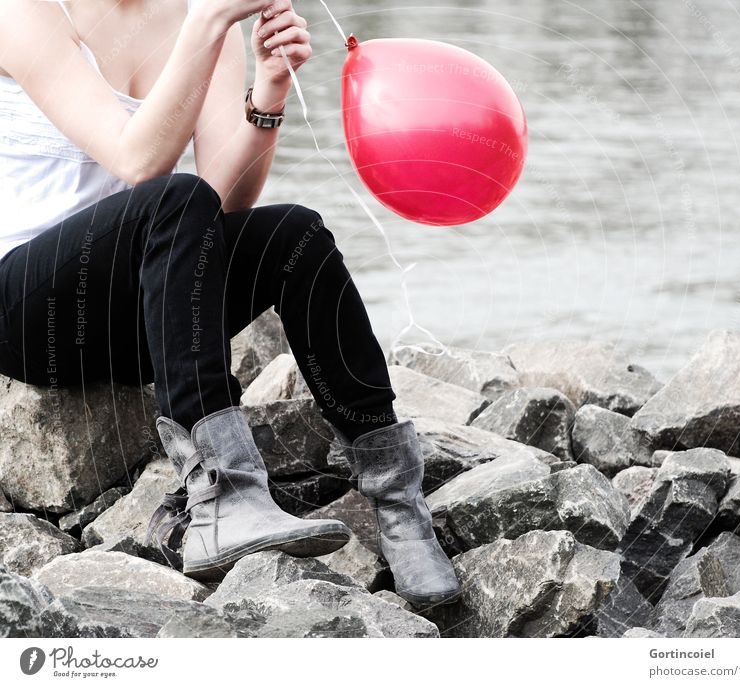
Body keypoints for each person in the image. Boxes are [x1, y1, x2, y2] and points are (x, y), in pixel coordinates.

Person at [0, 0, 460, 607]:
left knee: (296, 234)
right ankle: (223, 494)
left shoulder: (200, 16)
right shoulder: (26, 12)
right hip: (29, 314)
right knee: (171, 195)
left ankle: (400, 506)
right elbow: (139, 163)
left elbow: (221, 205)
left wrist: (267, 95)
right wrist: (207, 25)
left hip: (140, 310)